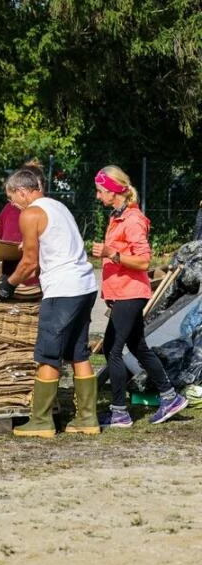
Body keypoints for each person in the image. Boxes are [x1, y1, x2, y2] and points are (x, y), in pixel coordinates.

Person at [0, 166, 100, 437]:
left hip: (62, 290)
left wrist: (9, 284)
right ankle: (87, 418)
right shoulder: (58, 207)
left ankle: (41, 421)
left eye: (12, 198)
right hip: (85, 285)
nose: (12, 205)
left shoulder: (30, 213)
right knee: (78, 351)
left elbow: (29, 263)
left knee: (48, 352)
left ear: (22, 191)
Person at [91, 165, 188, 427]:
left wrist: (113, 254)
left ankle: (119, 412)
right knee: (138, 348)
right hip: (122, 292)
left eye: (101, 191)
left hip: (131, 293)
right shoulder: (117, 216)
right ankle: (170, 397)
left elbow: (144, 261)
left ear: (114, 191)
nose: (98, 196)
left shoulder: (133, 220)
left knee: (112, 349)